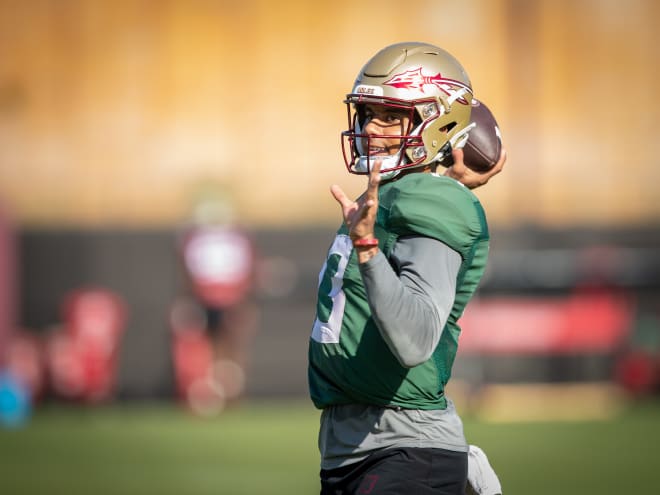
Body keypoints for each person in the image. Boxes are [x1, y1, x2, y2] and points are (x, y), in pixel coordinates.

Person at [307, 42, 506, 495]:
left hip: (406, 449)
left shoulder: (431, 202)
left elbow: (415, 339)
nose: (371, 130)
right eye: (368, 114)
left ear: (440, 122)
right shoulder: (408, 194)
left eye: (391, 116)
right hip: (353, 449)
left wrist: (369, 249)